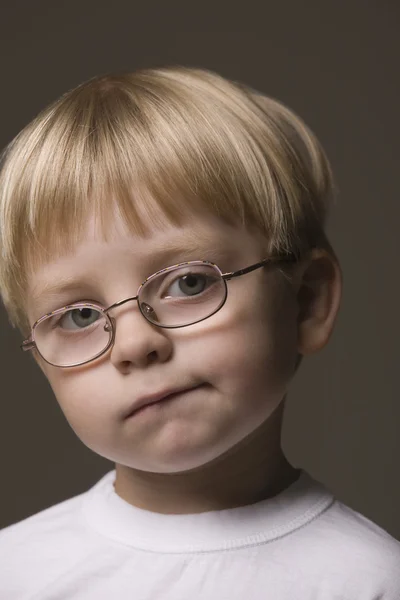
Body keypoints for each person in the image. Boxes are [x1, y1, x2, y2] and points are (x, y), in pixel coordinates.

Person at [0, 66, 398, 599]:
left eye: (188, 282)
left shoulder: (368, 581)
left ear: (307, 302)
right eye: (79, 316)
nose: (138, 344)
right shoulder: (17, 572)